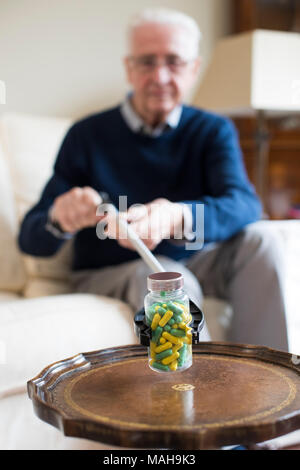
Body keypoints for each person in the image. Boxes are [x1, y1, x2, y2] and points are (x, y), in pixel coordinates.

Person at [18, 8, 288, 351]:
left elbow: (245, 204)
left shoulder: (212, 130)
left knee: (261, 244)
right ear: (129, 68)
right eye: (147, 62)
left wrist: (178, 215)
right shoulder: (86, 136)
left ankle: (272, 389)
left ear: (194, 69)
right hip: (114, 271)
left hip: (196, 256)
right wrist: (60, 217)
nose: (160, 76)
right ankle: (197, 396)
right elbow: (31, 239)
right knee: (170, 281)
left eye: (174, 62)